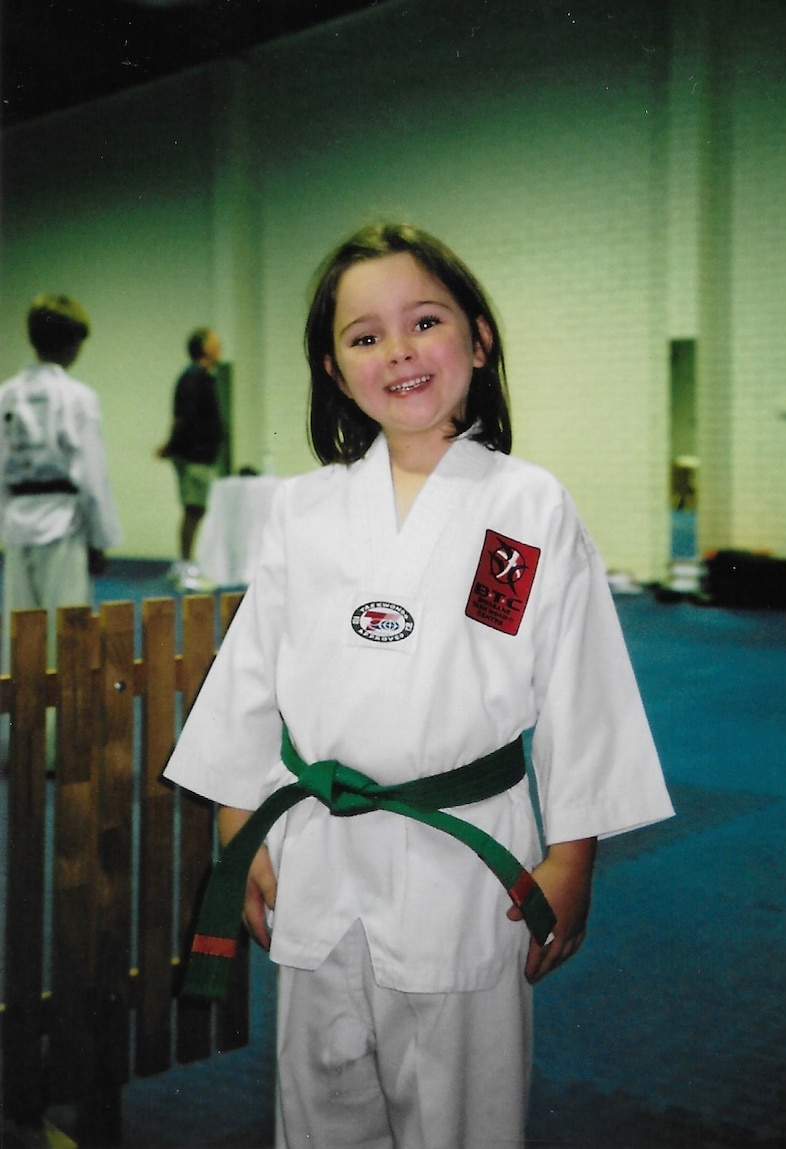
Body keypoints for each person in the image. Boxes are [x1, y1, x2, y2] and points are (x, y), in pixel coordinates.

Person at [163, 223, 674, 1149]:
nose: (396, 351)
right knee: (319, 1103)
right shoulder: (304, 510)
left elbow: (579, 684)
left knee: (462, 1116)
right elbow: (249, 673)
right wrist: (236, 823)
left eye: (423, 321)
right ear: (334, 367)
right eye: (365, 336)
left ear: (478, 339)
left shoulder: (526, 506)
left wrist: (574, 853)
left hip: (467, 865)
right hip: (316, 852)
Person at [0, 293, 121, 670]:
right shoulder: (77, 397)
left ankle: (23, 724)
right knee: (65, 632)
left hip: (18, 525)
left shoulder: (6, 395)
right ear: (73, 344)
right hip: (63, 525)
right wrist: (100, 539)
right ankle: (60, 727)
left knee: (20, 632)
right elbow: (91, 476)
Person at [157, 327, 223, 590]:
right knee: (193, 510)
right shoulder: (194, 377)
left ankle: (187, 564)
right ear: (205, 347)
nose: (220, 347)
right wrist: (172, 445)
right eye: (216, 343)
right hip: (194, 456)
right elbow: (183, 416)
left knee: (196, 509)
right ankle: (185, 568)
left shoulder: (203, 377)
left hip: (201, 455)